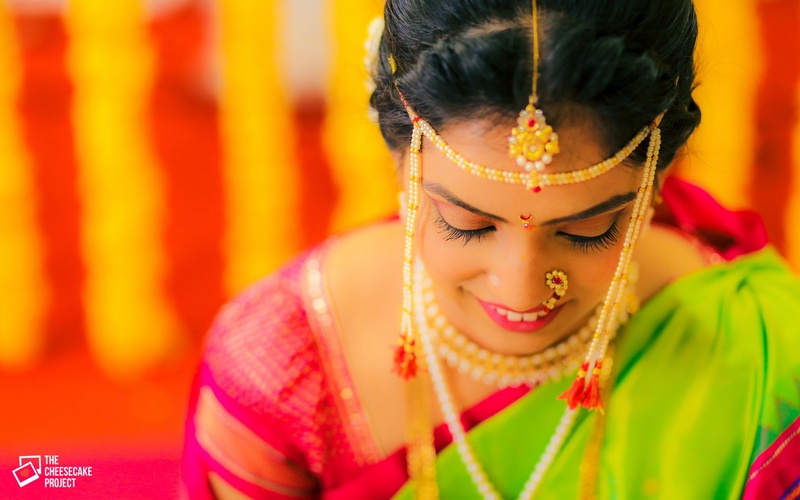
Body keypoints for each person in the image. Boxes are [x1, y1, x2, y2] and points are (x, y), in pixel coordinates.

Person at [181, 0, 800, 498]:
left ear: (658, 179)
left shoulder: (760, 354)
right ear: (398, 160)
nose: (520, 289)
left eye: (588, 230)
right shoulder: (286, 366)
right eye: (467, 224)